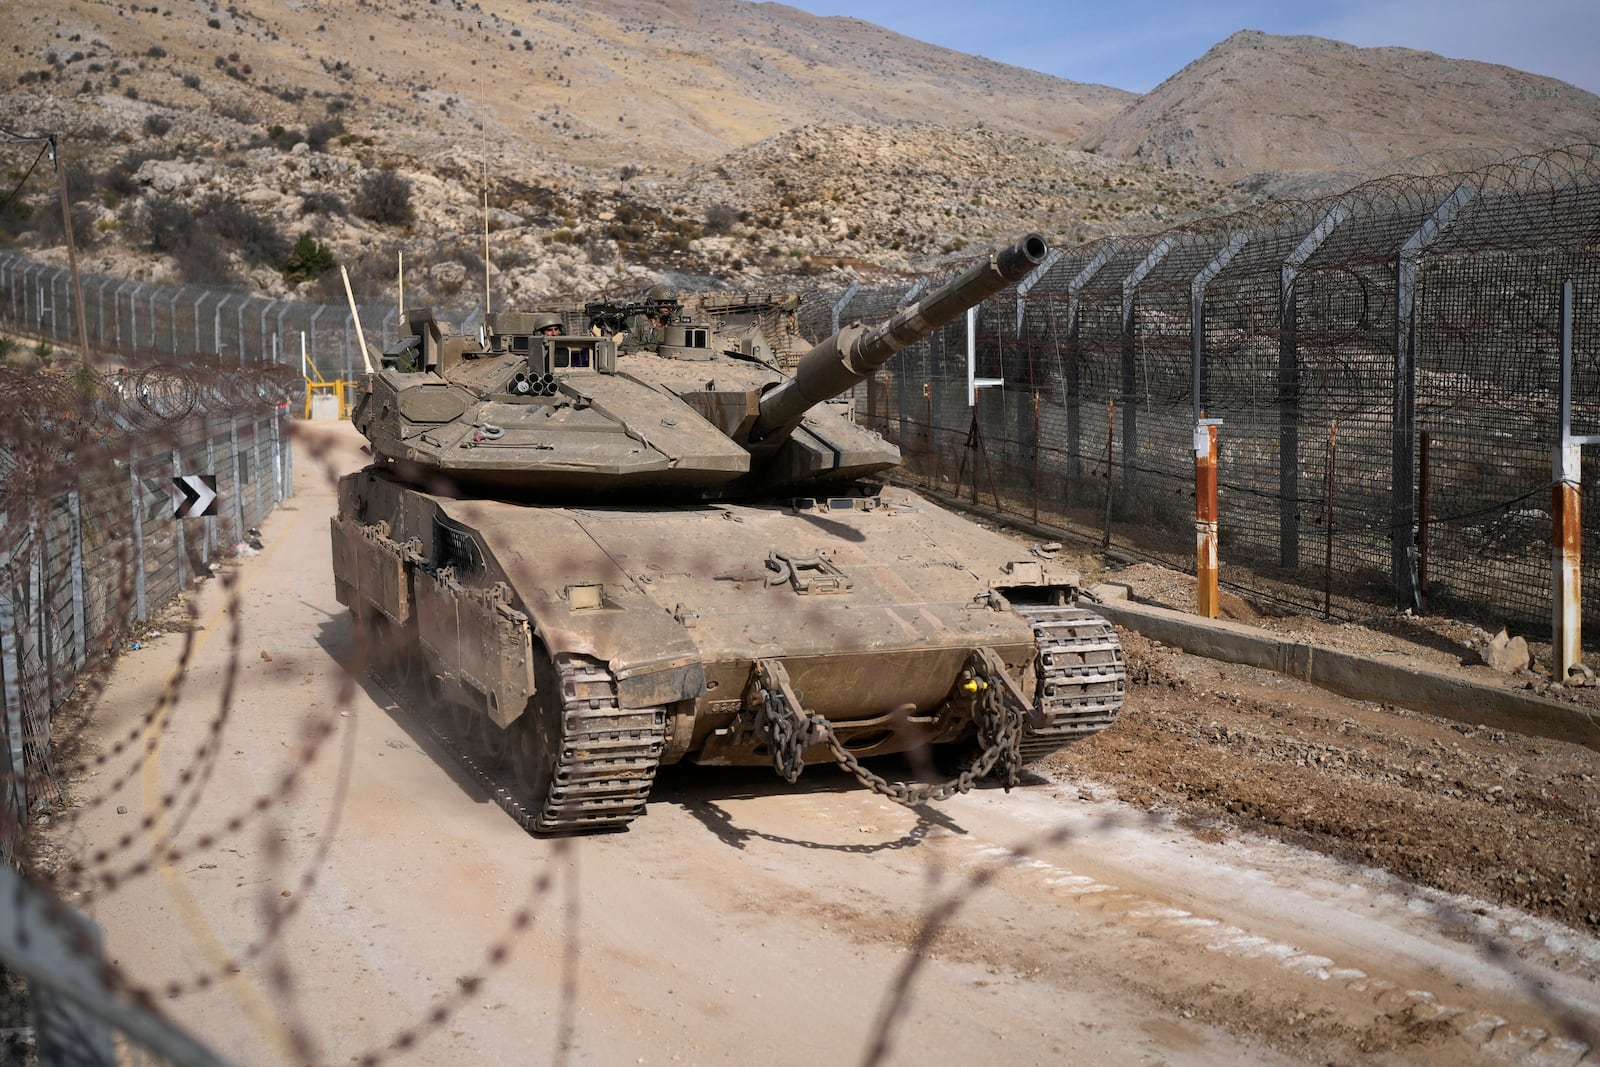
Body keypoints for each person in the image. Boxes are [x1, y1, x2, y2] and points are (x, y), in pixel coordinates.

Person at [625, 284, 678, 350]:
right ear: (654, 303)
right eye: (665, 303)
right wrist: (647, 347)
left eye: (672, 303)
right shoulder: (638, 319)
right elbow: (628, 344)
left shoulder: (674, 321)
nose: (669, 307)